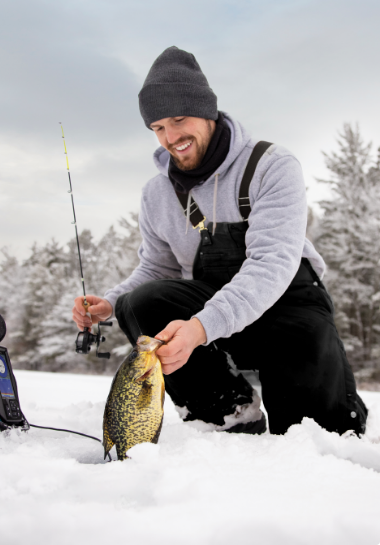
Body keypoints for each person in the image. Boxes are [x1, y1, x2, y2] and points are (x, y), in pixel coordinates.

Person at [72, 46, 367, 436]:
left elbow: (271, 265)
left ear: (208, 110)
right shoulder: (156, 194)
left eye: (179, 119)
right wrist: (110, 303)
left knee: (316, 437)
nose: (170, 137)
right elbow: (157, 268)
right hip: (212, 317)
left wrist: (201, 327)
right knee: (138, 303)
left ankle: (325, 421)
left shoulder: (272, 166)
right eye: (157, 127)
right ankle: (229, 413)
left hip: (288, 314)